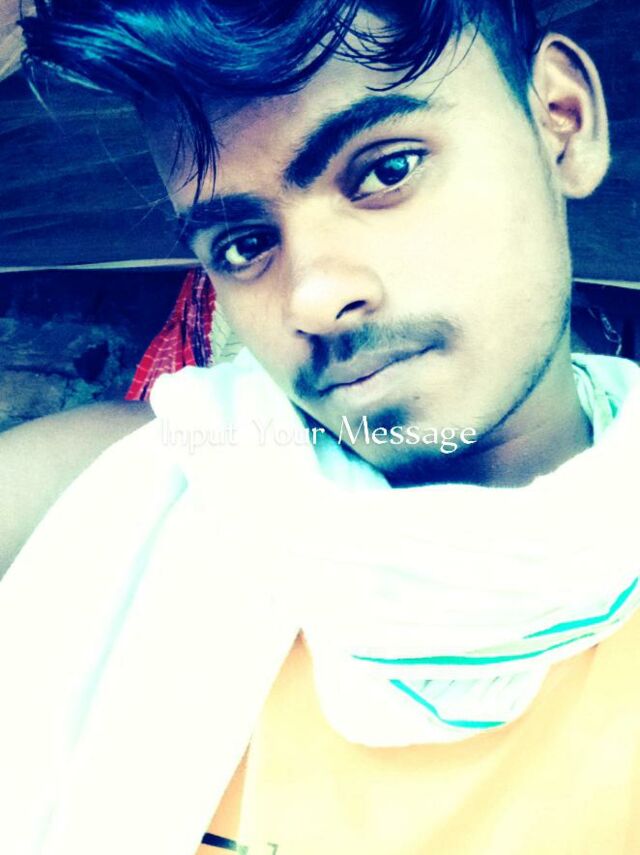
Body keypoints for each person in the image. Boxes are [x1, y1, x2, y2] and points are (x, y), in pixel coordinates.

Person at [1, 1, 639, 854]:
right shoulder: (104, 494)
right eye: (242, 244)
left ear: (562, 122)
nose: (312, 297)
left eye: (384, 171)